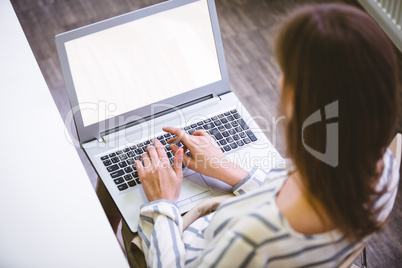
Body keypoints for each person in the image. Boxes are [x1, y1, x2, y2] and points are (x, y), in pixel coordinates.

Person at [117, 3, 400, 267]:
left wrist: (163, 202)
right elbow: (284, 193)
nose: (279, 80)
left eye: (287, 73)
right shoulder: (381, 172)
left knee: (122, 204)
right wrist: (228, 169)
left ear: (304, 106)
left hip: (187, 251)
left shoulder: (253, 241)